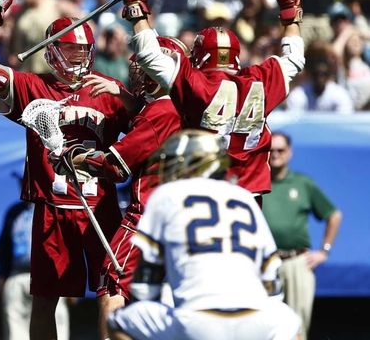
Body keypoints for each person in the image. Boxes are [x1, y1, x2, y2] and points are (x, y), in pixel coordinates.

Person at [0, 0, 130, 340]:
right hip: (53, 205)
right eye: (72, 54)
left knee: (112, 294)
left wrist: (127, 97)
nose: (80, 62)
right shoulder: (33, 86)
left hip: (100, 203)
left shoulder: (108, 87)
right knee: (45, 301)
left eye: (85, 53)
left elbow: (150, 125)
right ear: (52, 52)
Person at [118, 0, 306, 199]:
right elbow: (294, 59)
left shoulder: (197, 83)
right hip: (248, 195)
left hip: (203, 191)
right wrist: (291, 15)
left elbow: (148, 56)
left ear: (201, 57)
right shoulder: (261, 79)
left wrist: (137, 10)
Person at [107, 129, 302, 340]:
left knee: (118, 322)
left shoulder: (166, 195)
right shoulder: (244, 198)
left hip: (197, 319)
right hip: (255, 318)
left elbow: (146, 282)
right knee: (290, 325)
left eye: (176, 161)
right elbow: (271, 277)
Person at [65, 40, 183, 339]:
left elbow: (116, 166)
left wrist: (74, 155)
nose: (138, 75)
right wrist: (127, 98)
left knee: (112, 281)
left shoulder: (162, 111)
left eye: (144, 68)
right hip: (185, 213)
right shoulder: (187, 106)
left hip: (149, 215)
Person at [263, 131, 342, 339]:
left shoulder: (302, 183)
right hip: (264, 264)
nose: (276, 154)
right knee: (263, 325)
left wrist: (324, 251)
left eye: (281, 150)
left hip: (297, 261)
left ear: (290, 152)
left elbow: (333, 215)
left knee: (297, 326)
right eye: (271, 150)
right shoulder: (258, 183)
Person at [0, 199, 71, 340]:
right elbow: (3, 247)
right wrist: (0, 275)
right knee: (16, 330)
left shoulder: (60, 207)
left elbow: (69, 244)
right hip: (18, 274)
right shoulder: (14, 212)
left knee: (56, 325)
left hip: (53, 276)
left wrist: (70, 278)